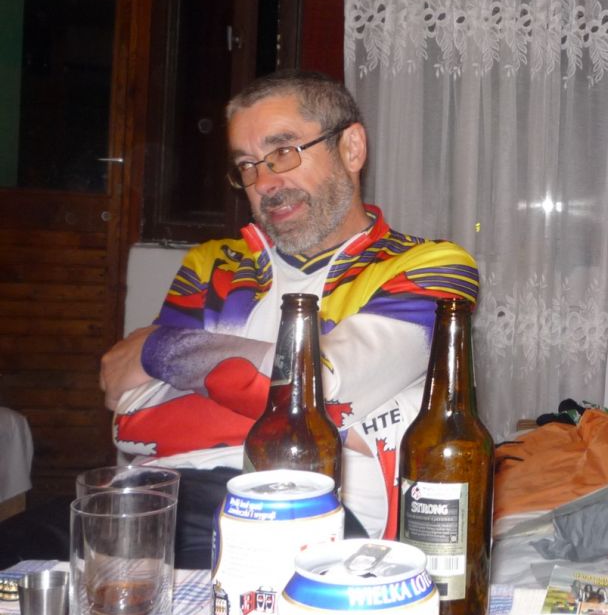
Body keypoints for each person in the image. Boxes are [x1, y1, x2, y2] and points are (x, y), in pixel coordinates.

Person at [0, 72, 477, 570]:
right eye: (247, 166)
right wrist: (332, 424)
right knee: (18, 550)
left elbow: (323, 385)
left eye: (283, 152)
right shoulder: (214, 265)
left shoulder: (428, 266)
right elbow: (130, 416)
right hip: (156, 490)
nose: (265, 183)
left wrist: (158, 351)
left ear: (351, 148)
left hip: (312, 506)